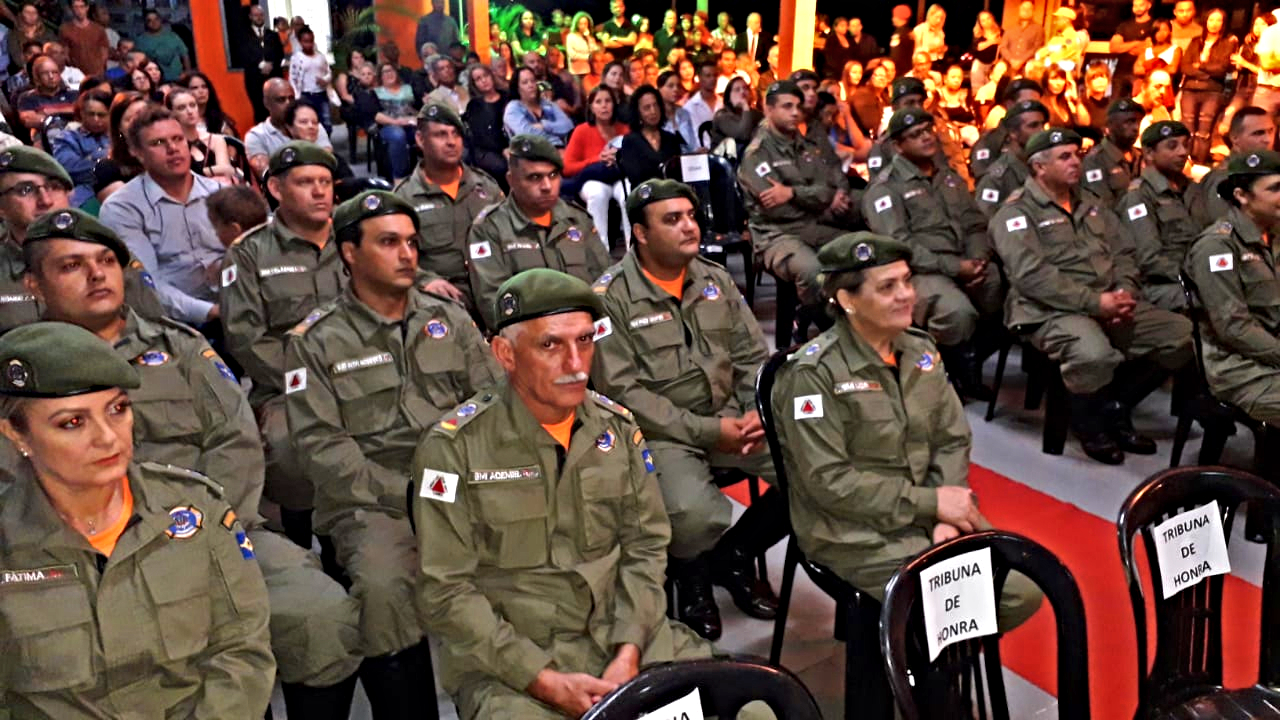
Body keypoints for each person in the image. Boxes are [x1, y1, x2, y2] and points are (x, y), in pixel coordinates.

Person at [18, 207, 364, 718]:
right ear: (34, 284)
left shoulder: (180, 348)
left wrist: (200, 527)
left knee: (323, 616)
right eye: (71, 266)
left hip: (211, 526)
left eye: (106, 261)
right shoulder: (19, 374)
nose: (96, 274)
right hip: (75, 548)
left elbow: (237, 441)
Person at [413, 268, 740, 719]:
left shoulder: (619, 430)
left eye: (585, 341)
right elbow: (447, 592)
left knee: (754, 709)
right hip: (516, 663)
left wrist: (628, 650)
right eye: (551, 344)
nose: (576, 363)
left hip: (630, 640)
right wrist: (543, 679)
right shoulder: (454, 449)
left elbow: (646, 548)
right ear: (505, 353)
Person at [287, 189, 498, 718]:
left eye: (411, 242)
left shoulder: (448, 317)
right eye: (388, 242)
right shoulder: (315, 341)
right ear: (350, 253)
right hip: (375, 503)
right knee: (384, 589)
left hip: (467, 485)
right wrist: (415, 493)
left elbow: (495, 403)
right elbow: (322, 448)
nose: (407, 254)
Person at [0, 321, 274, 717]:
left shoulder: (197, 510)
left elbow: (241, 651)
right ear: (16, 435)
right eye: (72, 423)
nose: (108, 437)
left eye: (118, 409)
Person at [772, 232, 1043, 630]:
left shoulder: (920, 351)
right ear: (847, 300)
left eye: (907, 281)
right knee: (977, 598)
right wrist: (931, 504)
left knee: (1023, 588)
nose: (906, 295)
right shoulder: (814, 376)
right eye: (887, 287)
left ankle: (922, 661)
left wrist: (946, 514)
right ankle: (913, 675)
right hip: (851, 531)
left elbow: (951, 438)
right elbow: (828, 483)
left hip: (926, 510)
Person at [590, 179, 785, 640]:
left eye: (691, 216)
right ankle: (692, 578)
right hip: (662, 431)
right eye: (671, 219)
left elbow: (751, 356)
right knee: (693, 514)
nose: (688, 227)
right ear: (640, 232)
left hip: (734, 417)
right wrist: (708, 430)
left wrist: (754, 411)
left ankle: (733, 557)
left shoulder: (713, 278)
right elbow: (625, 394)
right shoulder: (608, 298)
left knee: (811, 471)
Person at [990, 128, 1193, 464]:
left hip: (1109, 299)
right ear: (1039, 167)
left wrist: (1125, 290)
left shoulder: (1091, 203)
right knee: (1093, 354)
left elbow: (1125, 250)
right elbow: (1032, 278)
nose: (1075, 162)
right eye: (1065, 157)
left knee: (1182, 336)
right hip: (1048, 311)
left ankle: (1116, 406)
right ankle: (1089, 424)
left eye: (1077, 155)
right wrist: (1095, 303)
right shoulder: (1015, 214)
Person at [220, 141, 342, 546]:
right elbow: (246, 337)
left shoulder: (356, 238)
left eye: (325, 181)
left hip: (364, 368)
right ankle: (303, 537)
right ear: (275, 189)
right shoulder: (250, 254)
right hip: (288, 384)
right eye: (306, 182)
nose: (320, 191)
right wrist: (309, 380)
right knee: (289, 444)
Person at [864, 108, 1003, 400]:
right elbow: (899, 244)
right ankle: (950, 372)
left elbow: (975, 223)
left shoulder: (948, 178)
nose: (927, 137)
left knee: (1010, 300)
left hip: (965, 260)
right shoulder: (886, 188)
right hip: (919, 270)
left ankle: (965, 360)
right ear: (898, 146)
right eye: (916, 135)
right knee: (957, 313)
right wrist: (955, 267)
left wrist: (978, 259)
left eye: (929, 130)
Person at [0, 146, 162, 333]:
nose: (45, 200)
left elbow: (154, 329)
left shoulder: (107, 255)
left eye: (55, 187)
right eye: (25, 190)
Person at [467, 134, 610, 328]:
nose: (547, 186)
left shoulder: (577, 219)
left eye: (553, 175)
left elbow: (605, 283)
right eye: (534, 177)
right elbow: (494, 305)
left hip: (586, 333)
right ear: (511, 180)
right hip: (531, 342)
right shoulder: (489, 229)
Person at [98, 106, 224, 327]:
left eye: (178, 139)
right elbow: (146, 285)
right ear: (137, 152)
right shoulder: (122, 208)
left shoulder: (218, 193)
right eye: (158, 143)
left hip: (235, 307)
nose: (173, 148)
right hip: (169, 324)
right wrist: (213, 312)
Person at [739, 80, 855, 315]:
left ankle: (846, 319)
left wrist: (792, 193)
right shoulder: (757, 154)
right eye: (787, 106)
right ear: (769, 109)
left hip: (812, 225)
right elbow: (777, 211)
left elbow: (827, 188)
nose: (795, 112)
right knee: (811, 271)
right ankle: (822, 324)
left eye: (798, 107)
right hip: (774, 234)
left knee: (859, 251)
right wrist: (817, 203)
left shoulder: (805, 146)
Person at [1185, 148, 1280, 424]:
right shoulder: (1217, 247)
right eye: (1275, 189)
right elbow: (1234, 327)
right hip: (1239, 367)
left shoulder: (1273, 234)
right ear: (1241, 196)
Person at [393, 102, 503, 310]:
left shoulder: (486, 187)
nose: (451, 142)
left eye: (456, 134)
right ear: (420, 140)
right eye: (441, 135)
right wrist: (425, 281)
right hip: (442, 296)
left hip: (492, 287)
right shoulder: (405, 198)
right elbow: (394, 257)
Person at [1120, 121, 1196, 310]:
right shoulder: (1139, 196)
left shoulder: (1191, 189)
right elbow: (1148, 259)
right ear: (1149, 153)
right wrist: (1198, 274)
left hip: (1196, 274)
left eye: (1185, 145)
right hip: (1163, 285)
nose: (1182, 152)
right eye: (1172, 146)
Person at [562, 87, 627, 247]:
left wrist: (619, 158)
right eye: (599, 102)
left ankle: (633, 248)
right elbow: (567, 168)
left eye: (608, 101)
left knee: (629, 193)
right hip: (593, 179)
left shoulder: (625, 129)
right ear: (591, 107)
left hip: (619, 176)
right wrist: (595, 160)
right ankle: (600, 250)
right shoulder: (581, 131)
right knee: (598, 194)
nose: (604, 106)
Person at [1191, 106, 1276, 228]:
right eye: (1258, 133)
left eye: (1271, 131)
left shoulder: (1263, 172)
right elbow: (1223, 229)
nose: (1268, 139)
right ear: (1235, 139)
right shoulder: (1224, 180)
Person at [245, 78, 332, 179]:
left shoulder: (312, 125)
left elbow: (327, 161)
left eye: (291, 98)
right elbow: (265, 173)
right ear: (267, 103)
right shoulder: (257, 135)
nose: (288, 104)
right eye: (281, 100)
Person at [975, 99, 1048, 219]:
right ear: (1013, 133)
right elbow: (984, 221)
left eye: (1043, 125)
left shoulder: (1047, 167)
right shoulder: (996, 178)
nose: (1041, 131)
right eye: (1033, 126)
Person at [1181, 9, 1237, 163]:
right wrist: (1205, 72)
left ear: (1223, 23)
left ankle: (1200, 164)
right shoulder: (1195, 41)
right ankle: (1184, 161)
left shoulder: (1227, 43)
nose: (1214, 24)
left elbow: (1222, 68)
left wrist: (1200, 66)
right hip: (1190, 89)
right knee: (1187, 129)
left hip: (1212, 91)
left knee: (1204, 132)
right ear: (1205, 21)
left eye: (1218, 20)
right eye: (1211, 20)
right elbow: (1185, 66)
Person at [1082, 98, 1145, 209]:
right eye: (1129, 122)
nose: (1136, 128)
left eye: (1138, 122)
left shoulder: (1142, 156)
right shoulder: (1095, 160)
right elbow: (1101, 208)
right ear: (1110, 125)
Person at [166, 88, 239, 185]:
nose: (189, 111)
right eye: (181, 108)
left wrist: (194, 172)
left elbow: (226, 170)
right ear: (172, 113)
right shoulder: (170, 144)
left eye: (192, 105)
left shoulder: (215, 139)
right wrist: (211, 171)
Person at [50, 88, 109, 207]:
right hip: (86, 193)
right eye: (91, 114)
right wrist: (110, 166)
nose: (96, 119)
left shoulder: (119, 135)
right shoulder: (66, 138)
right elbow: (69, 170)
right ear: (82, 113)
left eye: (101, 115)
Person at [620, 84, 683, 190]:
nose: (653, 111)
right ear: (638, 112)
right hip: (645, 194)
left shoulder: (671, 139)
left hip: (671, 193)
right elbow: (635, 177)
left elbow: (679, 173)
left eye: (656, 105)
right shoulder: (630, 141)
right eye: (647, 108)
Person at [93, 91, 147, 202]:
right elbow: (130, 210)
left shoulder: (173, 154)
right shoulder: (107, 169)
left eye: (145, 116)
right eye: (131, 119)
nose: (140, 123)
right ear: (119, 128)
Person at [462, 63, 509, 187]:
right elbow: (482, 136)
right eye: (478, 79)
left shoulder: (508, 97)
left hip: (511, 144)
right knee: (502, 167)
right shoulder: (474, 105)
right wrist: (503, 149)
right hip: (486, 149)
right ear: (474, 84)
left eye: (485, 76)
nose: (483, 81)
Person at [503, 65, 573, 148]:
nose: (531, 85)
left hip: (558, 149)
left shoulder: (547, 104)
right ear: (517, 88)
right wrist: (555, 139)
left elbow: (568, 126)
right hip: (530, 155)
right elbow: (526, 135)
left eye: (533, 81)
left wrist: (544, 126)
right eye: (525, 82)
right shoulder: (513, 108)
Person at [240, 3, 285, 123]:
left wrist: (272, 65)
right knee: (259, 112)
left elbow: (280, 54)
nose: (259, 18)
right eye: (256, 15)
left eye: (261, 15)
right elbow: (243, 55)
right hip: (254, 81)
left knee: (276, 110)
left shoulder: (273, 35)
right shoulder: (243, 36)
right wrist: (260, 64)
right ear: (250, 16)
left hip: (273, 77)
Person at [286, 100, 354, 179]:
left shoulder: (333, 160)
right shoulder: (285, 161)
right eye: (304, 122)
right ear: (290, 127)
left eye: (315, 122)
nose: (311, 126)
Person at [16, 54, 76, 134]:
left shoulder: (73, 94)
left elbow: (82, 113)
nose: (51, 77)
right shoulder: (27, 97)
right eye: (45, 73)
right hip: (44, 138)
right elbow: (28, 120)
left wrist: (50, 111)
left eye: (54, 72)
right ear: (37, 77)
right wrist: (64, 114)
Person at [289, 25, 332, 136]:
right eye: (305, 41)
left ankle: (325, 147)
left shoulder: (320, 56)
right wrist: (297, 95)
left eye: (311, 41)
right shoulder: (297, 58)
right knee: (309, 125)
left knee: (326, 124)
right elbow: (292, 78)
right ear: (300, 42)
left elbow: (328, 72)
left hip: (321, 94)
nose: (308, 44)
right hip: (306, 95)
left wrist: (325, 80)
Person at [711, 76, 763, 155]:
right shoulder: (722, 116)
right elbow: (744, 135)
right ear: (729, 97)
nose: (742, 92)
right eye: (737, 90)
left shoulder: (754, 113)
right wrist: (745, 106)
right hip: (727, 162)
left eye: (745, 88)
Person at [1111, 0, 1156, 91]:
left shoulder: (1154, 25)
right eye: (1135, 5)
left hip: (1142, 73)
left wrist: (1125, 47)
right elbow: (1114, 48)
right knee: (1116, 103)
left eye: (1141, 5)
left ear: (1149, 5)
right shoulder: (1124, 26)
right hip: (1120, 72)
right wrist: (1137, 43)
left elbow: (1149, 50)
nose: (1138, 8)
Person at [179, 70, 237, 137]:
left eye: (204, 87)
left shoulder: (220, 120)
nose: (201, 91)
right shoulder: (181, 121)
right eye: (194, 88)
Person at [135, 9, 188, 82]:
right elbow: (139, 63)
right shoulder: (141, 41)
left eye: (156, 19)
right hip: (156, 81)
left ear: (160, 20)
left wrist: (187, 73)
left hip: (179, 78)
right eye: (149, 20)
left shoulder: (172, 36)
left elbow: (184, 54)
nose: (154, 22)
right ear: (145, 23)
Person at [58, 0, 105, 76]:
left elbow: (104, 51)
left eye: (82, 7)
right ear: (72, 9)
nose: (79, 10)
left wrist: (99, 67)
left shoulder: (98, 29)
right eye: (76, 7)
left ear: (87, 7)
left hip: (96, 73)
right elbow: (65, 52)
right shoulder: (65, 30)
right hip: (75, 73)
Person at [999, 0, 1044, 77]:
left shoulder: (1039, 29)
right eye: (1023, 8)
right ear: (1019, 9)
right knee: (999, 69)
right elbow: (1003, 47)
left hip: (1028, 64)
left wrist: (1022, 61)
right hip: (1009, 63)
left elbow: (1037, 48)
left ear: (1033, 11)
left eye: (1029, 9)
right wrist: (1011, 60)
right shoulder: (1010, 28)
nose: (1026, 11)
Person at [850, 58, 891, 137]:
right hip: (864, 140)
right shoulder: (861, 96)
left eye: (884, 76)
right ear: (868, 77)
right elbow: (869, 124)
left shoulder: (885, 96)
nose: (882, 78)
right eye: (878, 75)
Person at [1043, 64, 1090, 129]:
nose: (1058, 83)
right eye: (1054, 79)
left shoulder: (1065, 102)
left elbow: (1084, 123)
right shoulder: (1042, 103)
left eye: (1062, 79)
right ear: (1046, 80)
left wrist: (1076, 100)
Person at [970, 12, 1001, 90]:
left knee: (991, 88)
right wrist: (992, 41)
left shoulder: (1000, 32)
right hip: (980, 63)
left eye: (988, 18)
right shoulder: (977, 34)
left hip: (994, 64)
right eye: (983, 20)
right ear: (980, 23)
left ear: (992, 18)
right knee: (977, 87)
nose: (986, 22)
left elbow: (1002, 47)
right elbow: (978, 47)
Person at [566, 11, 599, 78]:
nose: (583, 26)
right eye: (580, 23)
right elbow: (572, 55)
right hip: (575, 72)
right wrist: (588, 57)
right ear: (576, 24)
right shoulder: (571, 37)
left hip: (588, 70)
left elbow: (594, 50)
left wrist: (588, 37)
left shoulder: (589, 37)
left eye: (585, 23)